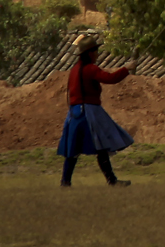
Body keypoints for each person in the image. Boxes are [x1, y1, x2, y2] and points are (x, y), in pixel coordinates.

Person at [58, 34, 137, 187]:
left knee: (72, 150)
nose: (98, 54)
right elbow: (110, 78)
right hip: (90, 112)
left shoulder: (74, 70)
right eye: (96, 51)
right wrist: (126, 69)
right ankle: (111, 180)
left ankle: (65, 181)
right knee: (102, 146)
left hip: (74, 113)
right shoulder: (90, 69)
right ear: (90, 53)